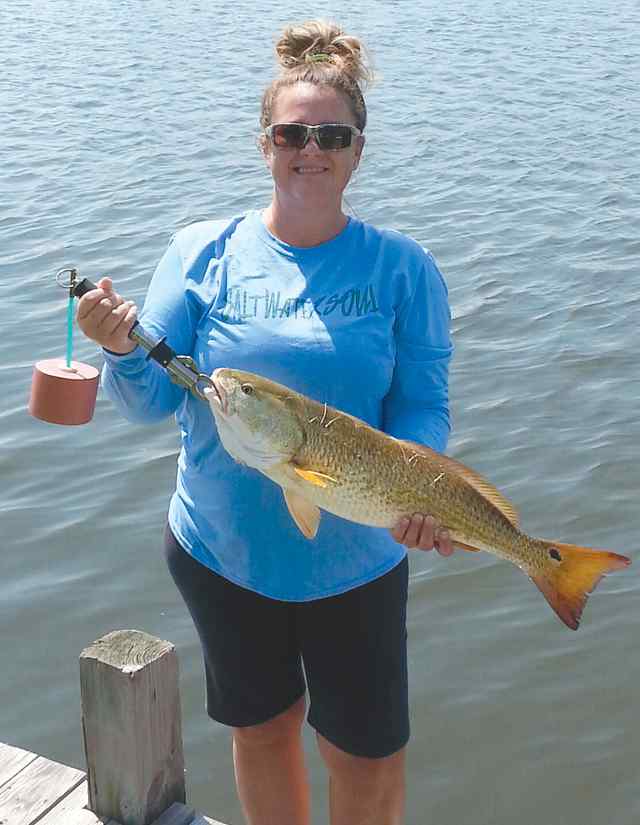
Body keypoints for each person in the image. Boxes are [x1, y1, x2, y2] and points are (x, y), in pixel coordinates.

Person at [77, 19, 454, 825]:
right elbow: (150, 401)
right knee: (262, 730)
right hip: (223, 553)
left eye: (330, 134)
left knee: (367, 755)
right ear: (264, 142)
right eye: (292, 132)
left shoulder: (404, 269)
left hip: (359, 554)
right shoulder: (199, 252)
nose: (308, 149)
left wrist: (418, 484)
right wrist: (119, 349)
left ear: (359, 148)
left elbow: (423, 403)